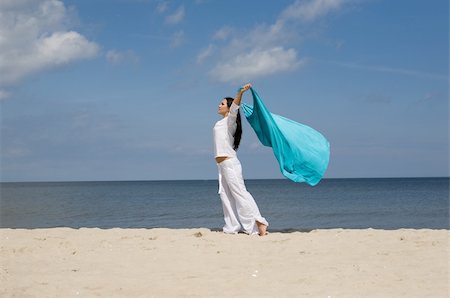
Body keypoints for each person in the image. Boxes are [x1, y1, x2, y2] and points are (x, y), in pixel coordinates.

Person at [213, 83, 269, 236]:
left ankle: (259, 222)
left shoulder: (229, 122)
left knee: (240, 193)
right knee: (225, 195)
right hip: (222, 165)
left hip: (230, 163)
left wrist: (240, 93)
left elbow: (235, 109)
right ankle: (232, 227)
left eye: (222, 103)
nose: (219, 105)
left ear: (228, 107)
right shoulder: (219, 123)